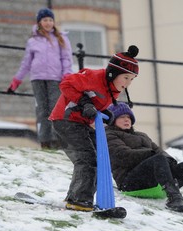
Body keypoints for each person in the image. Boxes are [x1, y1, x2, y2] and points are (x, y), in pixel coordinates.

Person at [49, 45, 140, 211]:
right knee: (86, 158)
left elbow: (96, 103)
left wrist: (105, 111)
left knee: (99, 159)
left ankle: (75, 196)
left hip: (81, 123)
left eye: (132, 79)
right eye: (126, 78)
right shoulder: (94, 77)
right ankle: (80, 200)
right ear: (113, 73)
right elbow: (66, 84)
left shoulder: (114, 89)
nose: (128, 83)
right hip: (66, 119)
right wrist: (84, 103)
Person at [7, 8, 73, 150]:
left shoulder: (60, 38)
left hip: (55, 79)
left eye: (50, 20)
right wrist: (16, 81)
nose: (48, 23)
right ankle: (44, 140)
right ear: (39, 22)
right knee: (42, 110)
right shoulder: (33, 41)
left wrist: (67, 75)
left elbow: (66, 59)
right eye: (45, 20)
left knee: (55, 109)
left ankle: (56, 139)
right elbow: (26, 63)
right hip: (37, 79)